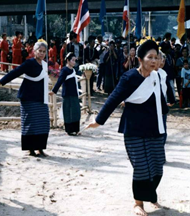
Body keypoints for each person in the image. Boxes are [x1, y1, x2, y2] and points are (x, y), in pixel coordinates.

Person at [88, 40, 169, 216]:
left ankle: (150, 195)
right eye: (150, 57)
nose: (154, 61)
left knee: (157, 167)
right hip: (133, 129)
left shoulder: (156, 77)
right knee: (141, 167)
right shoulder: (130, 77)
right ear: (140, 59)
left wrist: (166, 112)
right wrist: (98, 120)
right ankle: (137, 203)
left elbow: (161, 102)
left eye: (156, 57)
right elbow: (113, 99)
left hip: (155, 129)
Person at [0, 41, 50, 157]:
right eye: (40, 51)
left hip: (40, 98)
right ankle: (30, 149)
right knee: (30, 123)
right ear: (34, 51)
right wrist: (1, 81)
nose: (42, 54)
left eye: (44, 52)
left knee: (43, 123)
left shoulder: (44, 65)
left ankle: (40, 147)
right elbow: (15, 72)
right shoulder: (29, 63)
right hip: (28, 97)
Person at [50, 53, 81, 135]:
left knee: (76, 112)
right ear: (68, 60)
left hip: (74, 93)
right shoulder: (64, 70)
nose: (74, 62)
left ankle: (76, 129)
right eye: (72, 60)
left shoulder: (73, 70)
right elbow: (59, 81)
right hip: (67, 94)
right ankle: (69, 130)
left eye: (75, 60)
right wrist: (54, 91)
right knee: (68, 112)